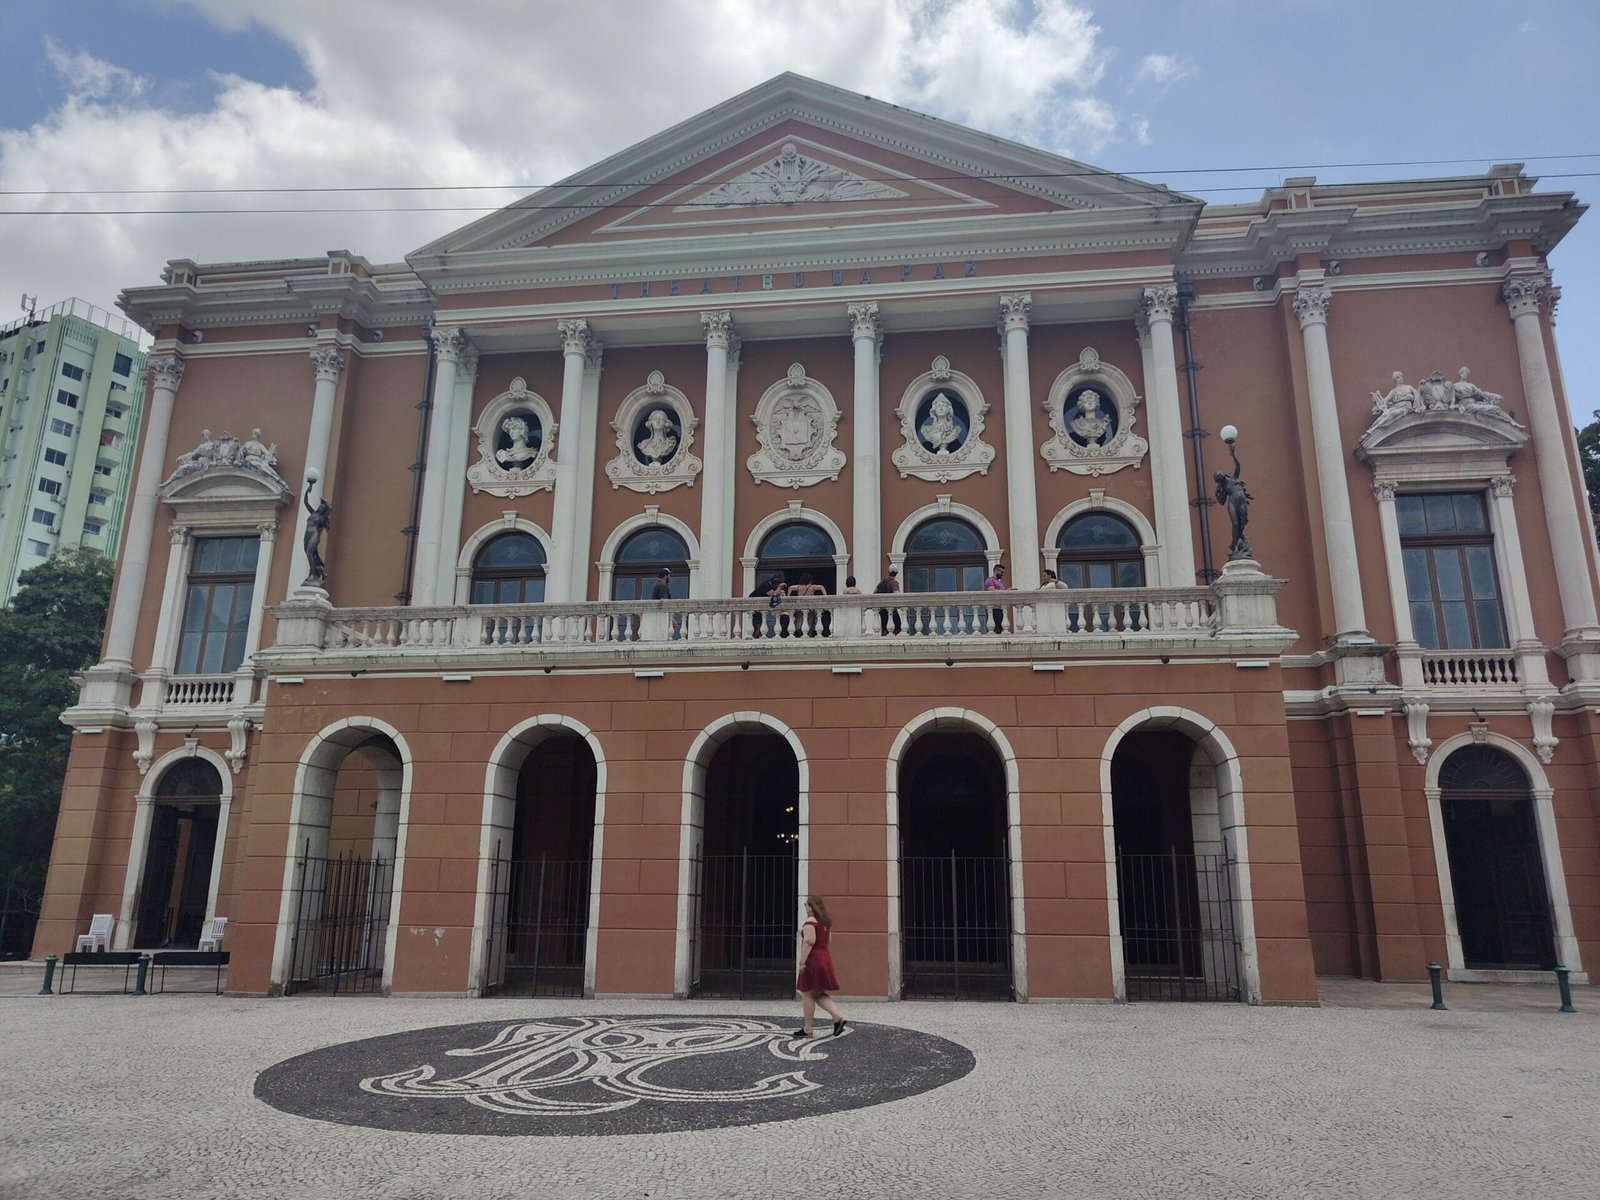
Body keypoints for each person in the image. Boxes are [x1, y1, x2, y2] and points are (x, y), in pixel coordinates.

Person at [793, 895, 847, 1040]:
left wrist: (802, 962)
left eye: (806, 905)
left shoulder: (811, 922)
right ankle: (837, 1018)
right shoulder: (825, 923)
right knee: (818, 993)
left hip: (813, 960)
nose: (805, 908)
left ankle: (808, 1029)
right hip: (824, 957)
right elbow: (828, 940)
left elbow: (809, 941)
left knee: (807, 994)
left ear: (811, 907)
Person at [874, 566, 902, 635]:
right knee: (898, 627)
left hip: (882, 609)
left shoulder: (883, 581)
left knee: (884, 628)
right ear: (897, 573)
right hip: (891, 609)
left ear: (888, 572)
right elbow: (897, 594)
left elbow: (875, 592)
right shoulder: (894, 583)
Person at [984, 563, 1007, 632]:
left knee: (1000, 627)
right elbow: (991, 590)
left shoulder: (998, 582)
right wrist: (1006, 592)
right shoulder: (990, 580)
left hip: (1000, 608)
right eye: (1001, 572)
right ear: (996, 571)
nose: (1002, 574)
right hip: (994, 608)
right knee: (996, 628)